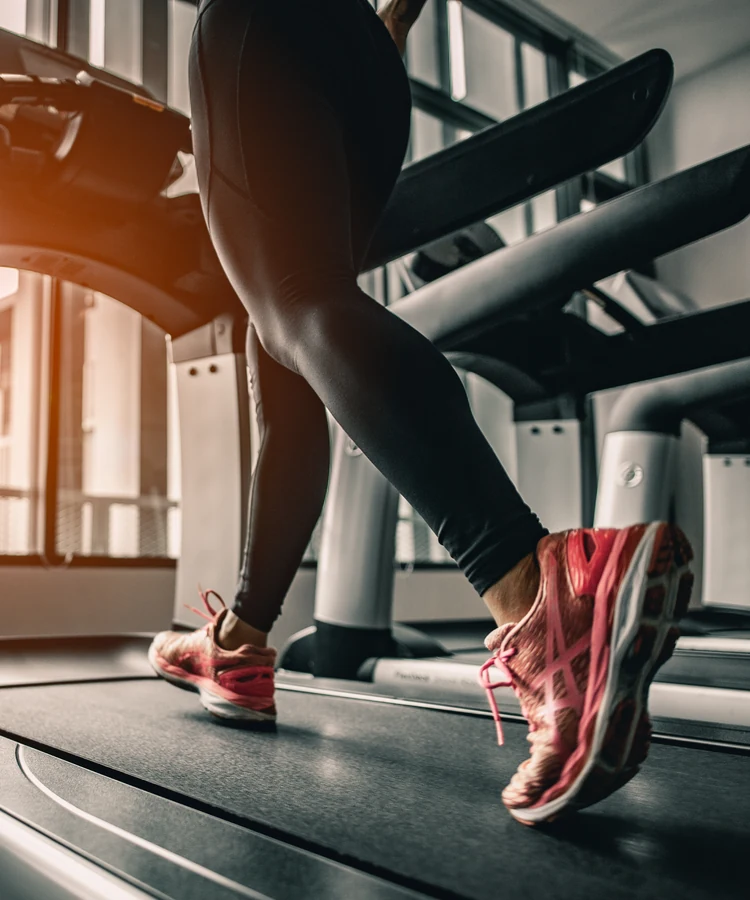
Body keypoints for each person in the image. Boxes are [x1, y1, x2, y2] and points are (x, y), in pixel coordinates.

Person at [148, 0, 694, 825]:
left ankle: (542, 598)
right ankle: (239, 645)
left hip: (263, 26)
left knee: (293, 309)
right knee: (288, 340)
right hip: (372, 65)